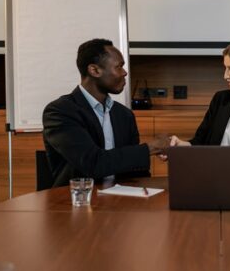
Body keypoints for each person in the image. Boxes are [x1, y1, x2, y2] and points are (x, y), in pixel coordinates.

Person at [43, 38, 169, 187]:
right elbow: (93, 163)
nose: (125, 72)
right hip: (77, 199)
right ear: (94, 70)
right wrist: (152, 147)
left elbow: (135, 169)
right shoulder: (60, 112)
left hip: (122, 198)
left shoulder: (124, 115)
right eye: (119, 67)